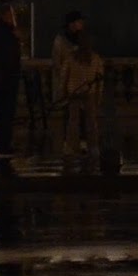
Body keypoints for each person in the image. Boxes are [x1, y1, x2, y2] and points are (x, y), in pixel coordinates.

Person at [58, 29, 104, 173]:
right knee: (90, 122)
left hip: (74, 93)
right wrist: (98, 97)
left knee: (74, 122)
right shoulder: (95, 59)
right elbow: (100, 81)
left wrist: (63, 93)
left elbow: (64, 77)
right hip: (88, 93)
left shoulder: (71, 58)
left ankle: (72, 148)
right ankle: (92, 147)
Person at [0, 2, 23, 168]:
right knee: (5, 111)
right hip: (6, 77)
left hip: (6, 76)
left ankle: (3, 141)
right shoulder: (3, 32)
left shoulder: (2, 31)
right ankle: (3, 143)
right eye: (10, 14)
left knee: (6, 111)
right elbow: (6, 56)